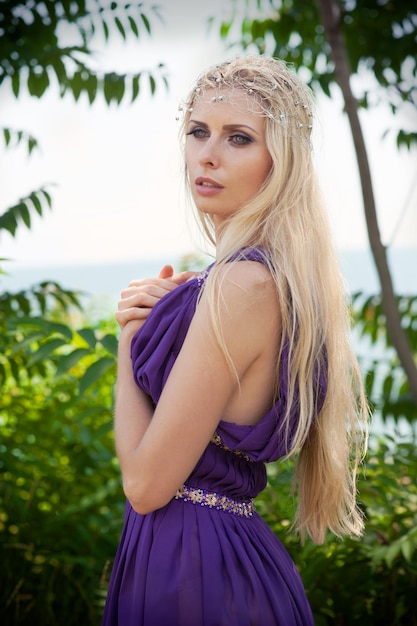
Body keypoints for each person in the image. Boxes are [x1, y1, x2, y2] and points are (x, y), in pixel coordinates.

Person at [102, 56, 368, 626]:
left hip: (194, 569)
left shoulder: (244, 285)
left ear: (282, 162)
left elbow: (146, 484)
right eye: (198, 132)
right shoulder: (263, 280)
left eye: (238, 138)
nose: (208, 154)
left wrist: (128, 343)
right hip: (210, 558)